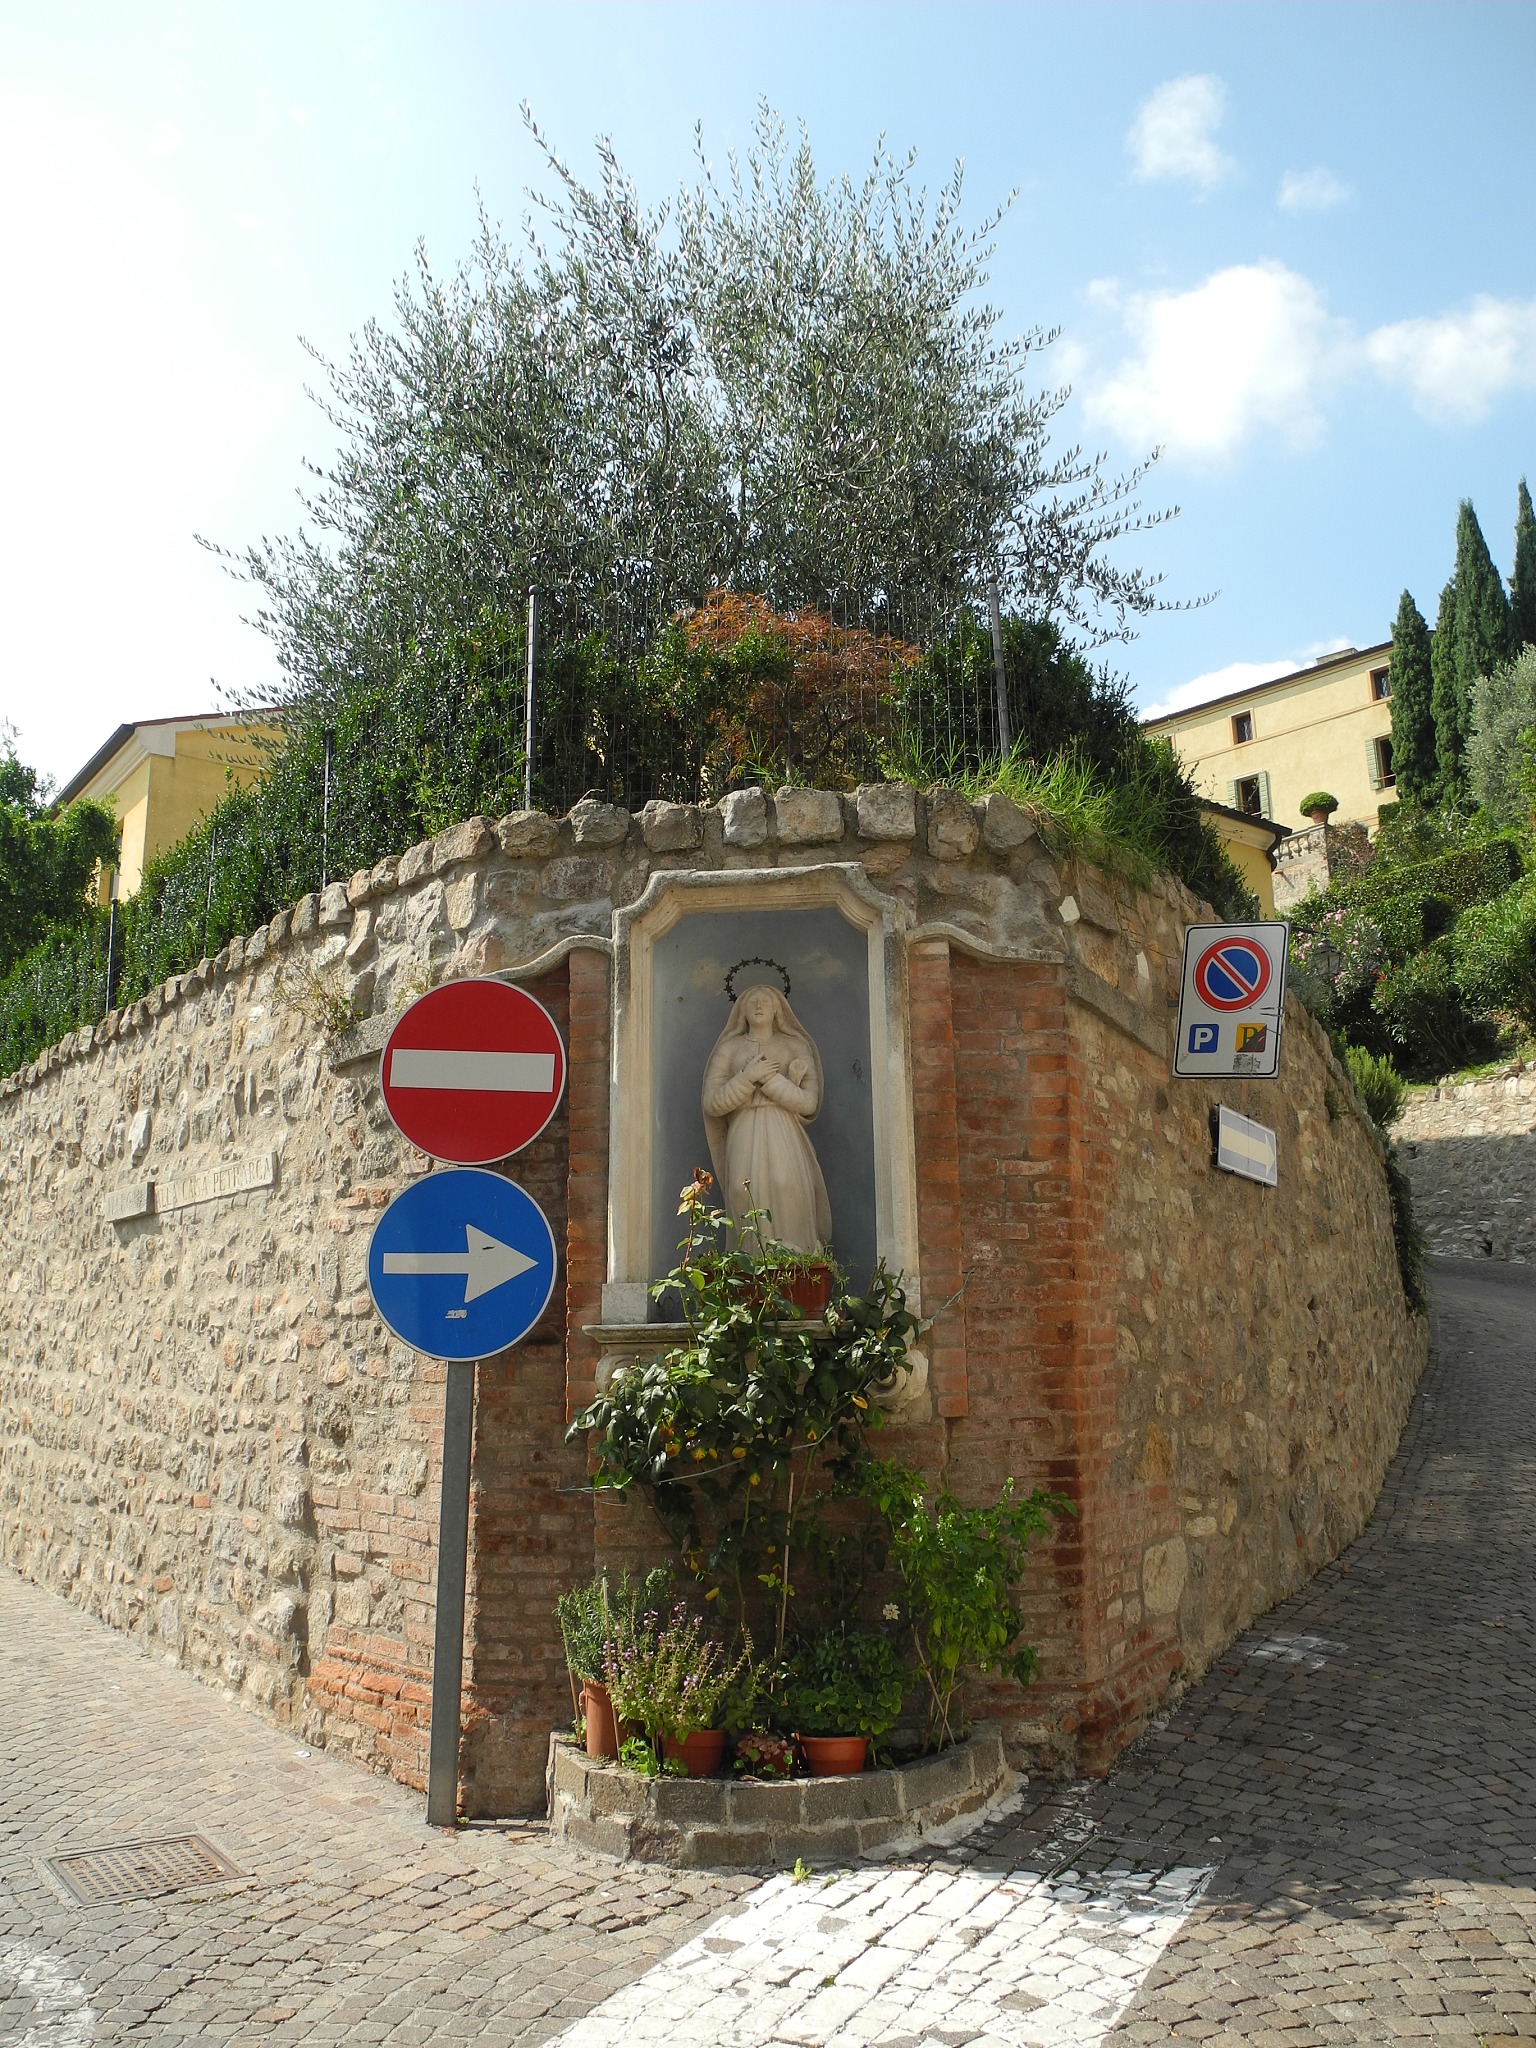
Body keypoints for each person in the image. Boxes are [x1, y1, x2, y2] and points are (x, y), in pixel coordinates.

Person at [701, 984, 831, 1252]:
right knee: (742, 1191)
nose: (759, 1006)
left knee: (787, 1186)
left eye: (766, 1002)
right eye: (752, 1002)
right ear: (742, 1012)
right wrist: (747, 1077)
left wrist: (770, 1079)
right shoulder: (729, 1048)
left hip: (784, 1131)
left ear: (777, 1011)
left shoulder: (795, 1046)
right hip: (744, 1130)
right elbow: (712, 1103)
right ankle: (750, 1264)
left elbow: (809, 1102)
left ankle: (796, 1261)